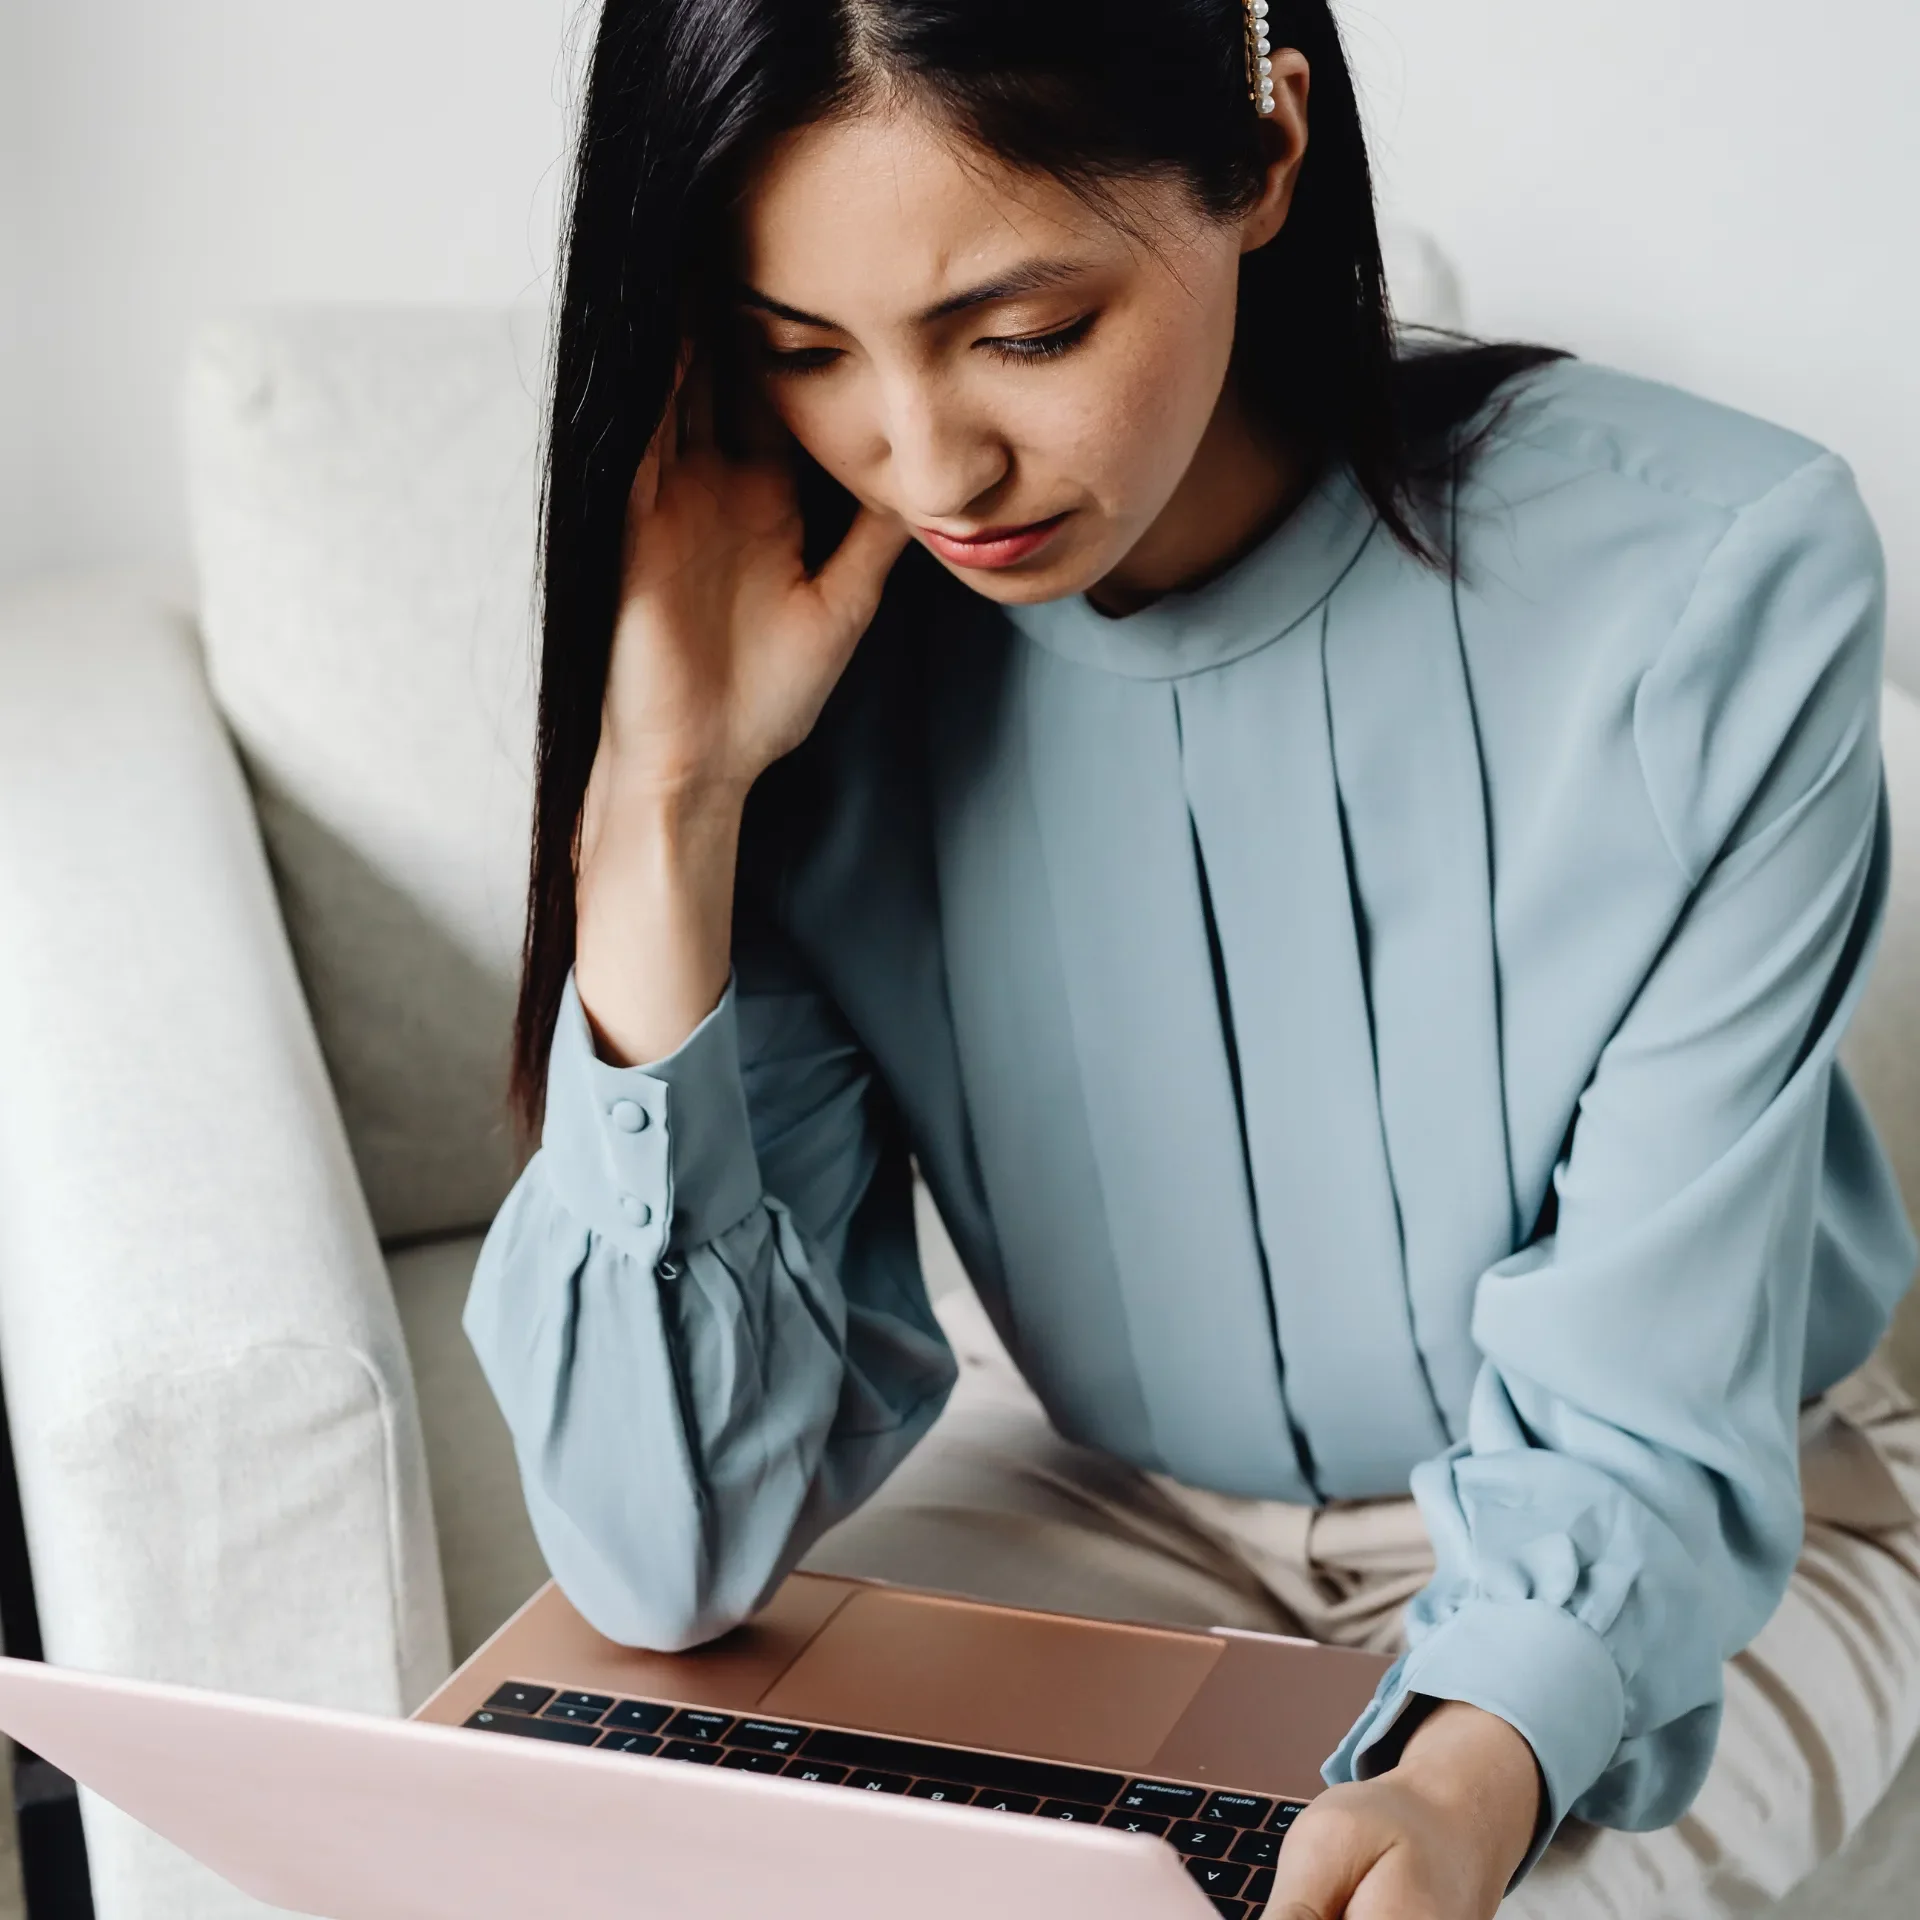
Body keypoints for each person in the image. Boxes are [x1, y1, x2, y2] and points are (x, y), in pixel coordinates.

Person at [463, 2, 1920, 1913]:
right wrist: (666, 807)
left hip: (1702, 1538)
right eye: (803, 352)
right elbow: (664, 1557)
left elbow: (1648, 1403)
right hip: (1107, 1504)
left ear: (1268, 151)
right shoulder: (804, 645)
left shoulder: (1718, 579)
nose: (930, 465)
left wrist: (1465, 1785)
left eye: (1024, 333)